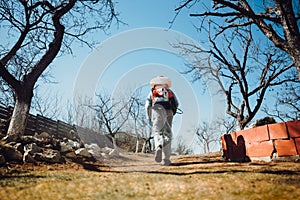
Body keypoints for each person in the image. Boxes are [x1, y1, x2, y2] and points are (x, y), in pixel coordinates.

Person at [145, 76, 178, 166]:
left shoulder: (152, 92)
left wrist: (149, 117)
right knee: (167, 134)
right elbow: (176, 103)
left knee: (157, 132)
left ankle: (158, 146)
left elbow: (147, 105)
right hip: (168, 112)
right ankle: (166, 159)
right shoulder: (169, 92)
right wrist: (172, 112)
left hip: (156, 111)